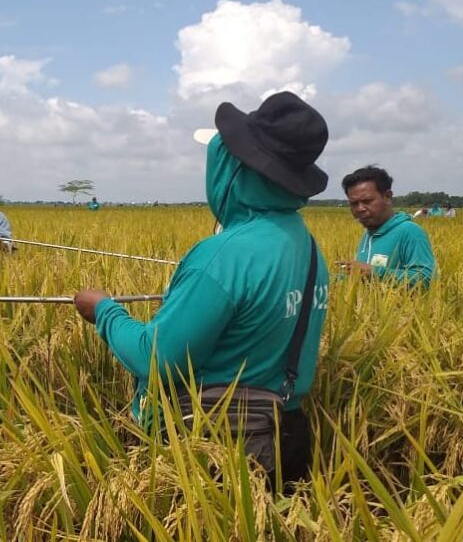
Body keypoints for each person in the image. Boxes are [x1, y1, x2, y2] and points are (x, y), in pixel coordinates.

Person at [74, 91, 330, 484]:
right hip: (287, 431)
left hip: (218, 446)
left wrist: (104, 310)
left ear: (232, 169)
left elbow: (155, 359)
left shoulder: (224, 255)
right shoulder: (306, 244)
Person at [338, 166, 435, 288]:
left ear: (387, 196)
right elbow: (363, 278)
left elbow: (426, 278)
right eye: (354, 203)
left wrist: (374, 272)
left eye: (367, 201)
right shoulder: (368, 235)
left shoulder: (409, 232)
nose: (360, 209)